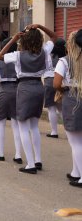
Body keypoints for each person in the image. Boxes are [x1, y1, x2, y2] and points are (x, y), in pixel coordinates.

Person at [0, 24, 57, 174]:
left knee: (23, 126)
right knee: (34, 126)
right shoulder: (44, 51)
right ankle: (38, 160)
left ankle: (30, 164)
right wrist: (40, 26)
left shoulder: (18, 55)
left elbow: (0, 56)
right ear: (39, 40)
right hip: (39, 87)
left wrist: (13, 39)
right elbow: (55, 37)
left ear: (23, 41)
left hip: (24, 88)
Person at [54, 30, 82, 187]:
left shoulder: (65, 61)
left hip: (72, 99)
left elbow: (56, 84)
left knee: (75, 141)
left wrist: (64, 88)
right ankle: (75, 172)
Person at [0, 38, 22, 163]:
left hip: (3, 90)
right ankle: (18, 155)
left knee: (1, 122)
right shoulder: (18, 58)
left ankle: (1, 152)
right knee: (16, 123)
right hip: (17, 89)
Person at [44, 39, 66, 138]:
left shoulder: (47, 54)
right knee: (61, 108)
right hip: (61, 82)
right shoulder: (64, 58)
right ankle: (68, 130)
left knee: (51, 108)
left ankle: (54, 132)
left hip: (49, 81)